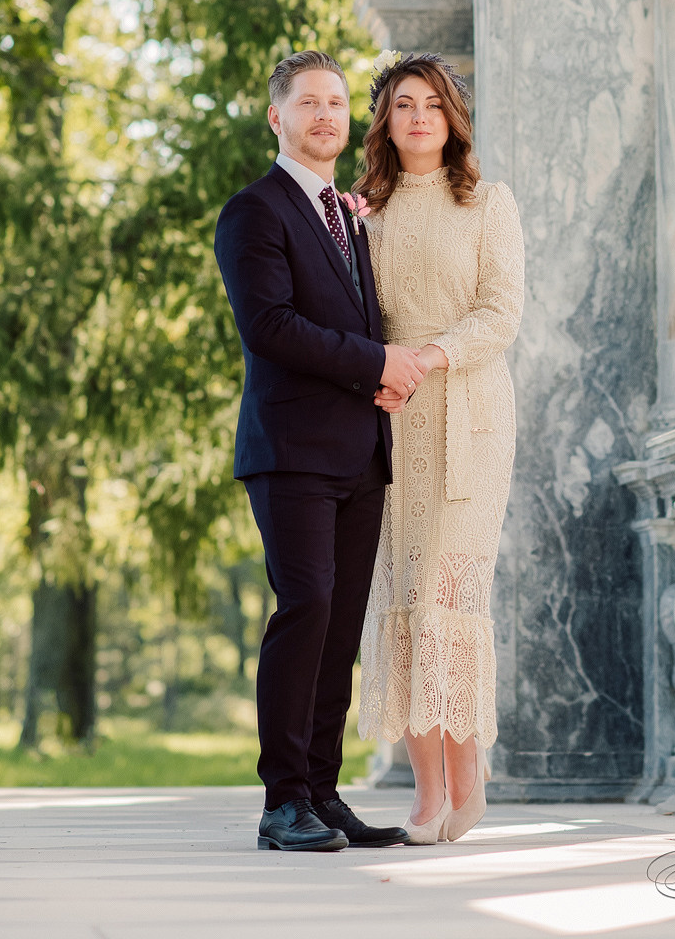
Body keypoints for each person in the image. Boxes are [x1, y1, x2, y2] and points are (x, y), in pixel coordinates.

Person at [213, 49, 429, 853]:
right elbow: (269, 327)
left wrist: (391, 378)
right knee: (304, 611)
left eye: (337, 103)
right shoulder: (254, 211)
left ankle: (323, 796)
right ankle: (280, 804)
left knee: (340, 628)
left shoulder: (348, 216)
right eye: (309, 103)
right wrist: (377, 362)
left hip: (360, 450)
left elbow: (358, 323)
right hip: (291, 450)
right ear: (278, 117)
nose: (327, 116)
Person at [354, 51, 524, 844]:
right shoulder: (367, 214)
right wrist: (381, 375)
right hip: (391, 414)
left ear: (453, 117)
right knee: (402, 598)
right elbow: (358, 323)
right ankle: (429, 791)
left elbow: (500, 314)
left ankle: (468, 775)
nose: (418, 116)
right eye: (402, 105)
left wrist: (424, 360)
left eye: (433, 103)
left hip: (469, 410)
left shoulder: (489, 205)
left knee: (447, 597)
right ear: (385, 122)